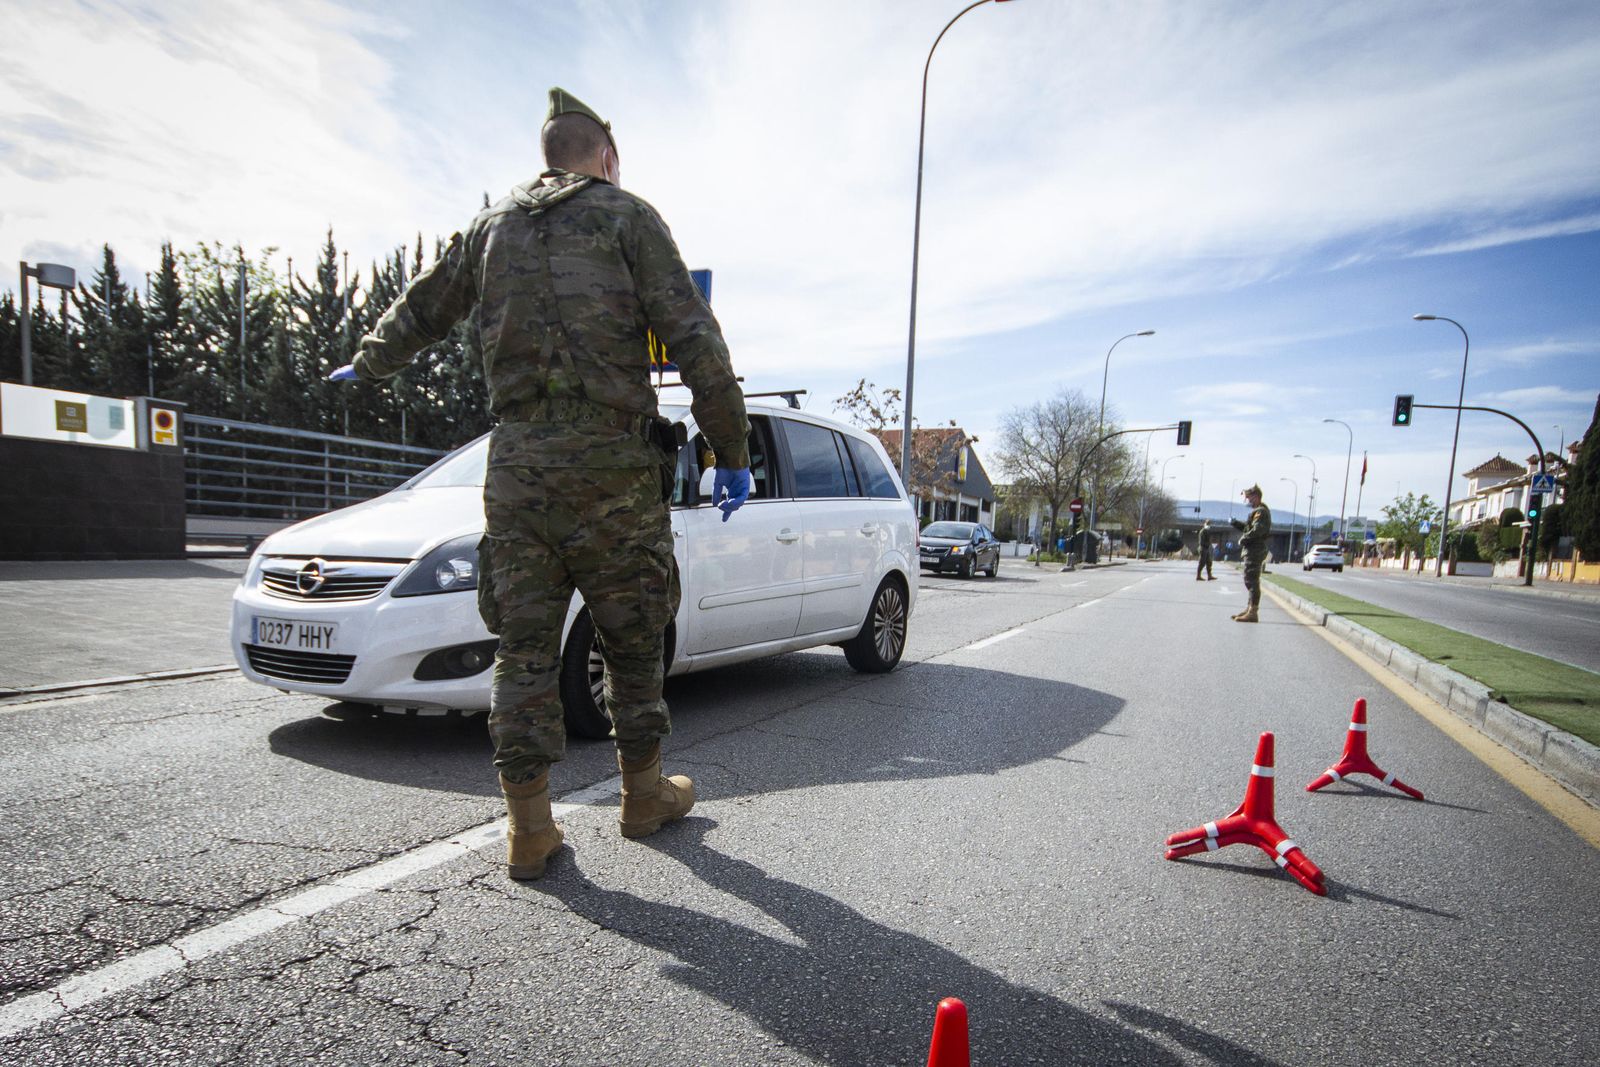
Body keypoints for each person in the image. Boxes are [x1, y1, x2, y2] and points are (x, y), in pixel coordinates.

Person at [329, 88, 752, 880]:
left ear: (546, 154)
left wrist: (374, 357)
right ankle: (642, 794)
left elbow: (426, 305)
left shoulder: (490, 228)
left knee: (523, 647)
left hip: (518, 467)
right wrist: (731, 448)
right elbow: (696, 336)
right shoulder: (628, 216)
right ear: (607, 157)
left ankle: (529, 829)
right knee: (632, 636)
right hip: (616, 470)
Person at [1229, 485, 1272, 622]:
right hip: (1253, 549)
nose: (1247, 500)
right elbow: (1249, 528)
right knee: (1250, 579)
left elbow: (1257, 530)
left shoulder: (1260, 511)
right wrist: (1235, 523)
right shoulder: (1257, 511)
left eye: (1249, 498)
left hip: (1255, 549)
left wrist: (1244, 539)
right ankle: (1249, 608)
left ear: (1256, 497)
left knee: (1251, 580)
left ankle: (1253, 612)